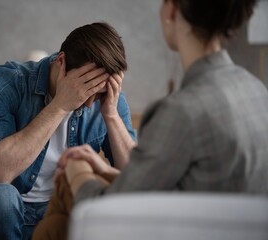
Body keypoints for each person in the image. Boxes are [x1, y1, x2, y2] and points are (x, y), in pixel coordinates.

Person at [32, 0, 268, 239]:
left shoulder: (181, 111)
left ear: (172, 10)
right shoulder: (256, 90)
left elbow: (122, 206)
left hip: (177, 228)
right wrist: (105, 169)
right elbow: (180, 188)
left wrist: (77, 170)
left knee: (63, 199)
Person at [0, 22, 137, 240]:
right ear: (61, 62)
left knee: (100, 205)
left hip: (53, 212)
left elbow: (138, 178)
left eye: (99, 94)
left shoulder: (110, 100)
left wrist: (111, 115)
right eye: (86, 89)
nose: (91, 103)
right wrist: (60, 106)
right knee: (3, 197)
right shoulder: (4, 83)